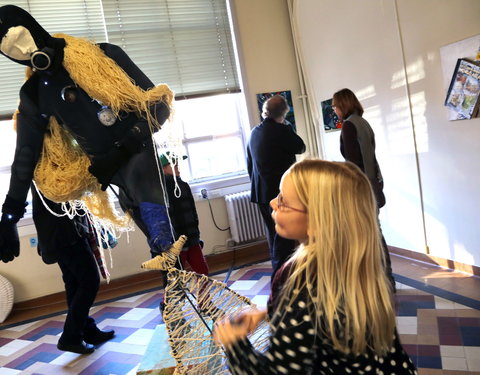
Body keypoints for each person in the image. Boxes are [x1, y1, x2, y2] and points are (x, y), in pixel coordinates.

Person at [0, 5, 174, 266]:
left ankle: (191, 295)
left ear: (33, 28)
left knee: (171, 241)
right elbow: (26, 157)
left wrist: (124, 148)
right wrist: (9, 216)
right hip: (107, 170)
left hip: (139, 155)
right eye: (8, 49)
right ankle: (176, 296)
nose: (23, 51)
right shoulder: (35, 94)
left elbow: (158, 105)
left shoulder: (104, 56)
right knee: (163, 251)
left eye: (20, 38)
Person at [214, 159, 417, 375]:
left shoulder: (302, 284)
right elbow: (322, 319)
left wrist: (235, 345)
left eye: (283, 200)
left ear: (317, 222)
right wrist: (271, 312)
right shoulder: (354, 264)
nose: (273, 203)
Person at [31, 188, 114, 354]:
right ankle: (70, 337)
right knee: (89, 281)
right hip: (65, 233)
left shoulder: (42, 167)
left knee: (74, 283)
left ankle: (87, 331)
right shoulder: (48, 167)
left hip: (59, 232)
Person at [332, 88, 395, 291]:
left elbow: (352, 162)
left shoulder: (349, 125)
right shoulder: (363, 122)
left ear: (343, 104)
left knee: (370, 233)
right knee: (374, 231)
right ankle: (386, 280)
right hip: (373, 181)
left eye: (334, 105)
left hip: (360, 186)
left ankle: (380, 281)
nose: (333, 109)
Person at [247, 95, 305, 276]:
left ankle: (278, 276)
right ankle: (284, 278)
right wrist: (287, 127)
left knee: (273, 237)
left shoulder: (254, 132)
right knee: (284, 238)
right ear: (283, 113)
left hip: (260, 193)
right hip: (279, 194)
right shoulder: (282, 131)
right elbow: (300, 147)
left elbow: (250, 164)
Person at [160, 152, 208, 277]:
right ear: (164, 169)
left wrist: (196, 234)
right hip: (175, 243)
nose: (178, 167)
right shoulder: (162, 190)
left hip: (192, 238)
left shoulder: (184, 185)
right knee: (175, 277)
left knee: (202, 271)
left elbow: (193, 211)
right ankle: (173, 297)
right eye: (174, 165)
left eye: (178, 164)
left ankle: (204, 297)